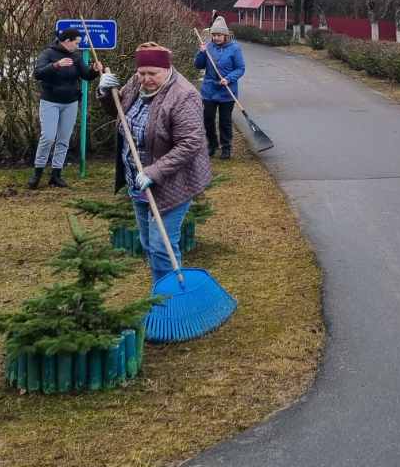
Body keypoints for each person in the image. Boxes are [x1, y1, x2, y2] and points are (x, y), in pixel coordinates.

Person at [97, 44, 211, 282]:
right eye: (142, 72)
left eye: (153, 73)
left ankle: (171, 297)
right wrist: (106, 93)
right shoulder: (136, 83)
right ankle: (159, 291)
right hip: (137, 179)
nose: (146, 79)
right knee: (148, 242)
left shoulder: (183, 95)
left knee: (161, 246)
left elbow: (190, 143)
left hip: (172, 182)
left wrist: (154, 171)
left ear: (166, 69)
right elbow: (118, 113)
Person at [30, 27, 104, 189]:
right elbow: (38, 73)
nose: (78, 46)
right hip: (50, 102)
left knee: (63, 139)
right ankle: (37, 173)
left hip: (70, 103)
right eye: (76, 43)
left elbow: (86, 75)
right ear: (67, 41)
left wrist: (94, 70)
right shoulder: (48, 54)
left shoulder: (76, 57)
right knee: (48, 137)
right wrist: (56, 65)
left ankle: (56, 175)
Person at [194, 15, 246, 159]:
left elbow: (240, 68)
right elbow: (198, 65)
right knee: (208, 119)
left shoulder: (234, 48)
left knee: (225, 121)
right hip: (209, 91)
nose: (216, 38)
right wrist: (201, 52)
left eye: (219, 35)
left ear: (225, 35)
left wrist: (228, 79)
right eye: (214, 35)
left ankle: (226, 147)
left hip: (227, 92)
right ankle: (212, 144)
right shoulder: (208, 47)